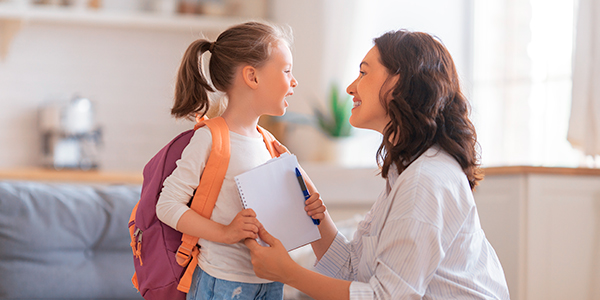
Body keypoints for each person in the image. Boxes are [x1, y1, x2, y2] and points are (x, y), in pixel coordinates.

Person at [245, 29, 511, 299]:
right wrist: (313, 211)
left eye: (363, 73)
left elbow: (383, 296)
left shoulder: (425, 180)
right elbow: (351, 269)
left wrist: (287, 272)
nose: (351, 87)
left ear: (399, 83)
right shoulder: (406, 172)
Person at [155, 21, 313, 300]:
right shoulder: (210, 139)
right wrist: (225, 233)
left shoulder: (269, 144)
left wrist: (307, 208)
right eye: (287, 71)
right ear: (252, 77)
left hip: (270, 279)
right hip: (223, 283)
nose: (294, 81)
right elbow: (167, 206)